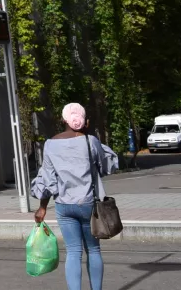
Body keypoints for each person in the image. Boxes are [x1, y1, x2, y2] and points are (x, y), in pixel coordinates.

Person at [30, 103, 119, 290]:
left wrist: (42, 207)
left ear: (63, 120)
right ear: (84, 121)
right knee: (93, 250)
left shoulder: (50, 144)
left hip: (63, 205)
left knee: (73, 252)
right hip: (88, 205)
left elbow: (47, 178)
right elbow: (105, 167)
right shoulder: (91, 141)